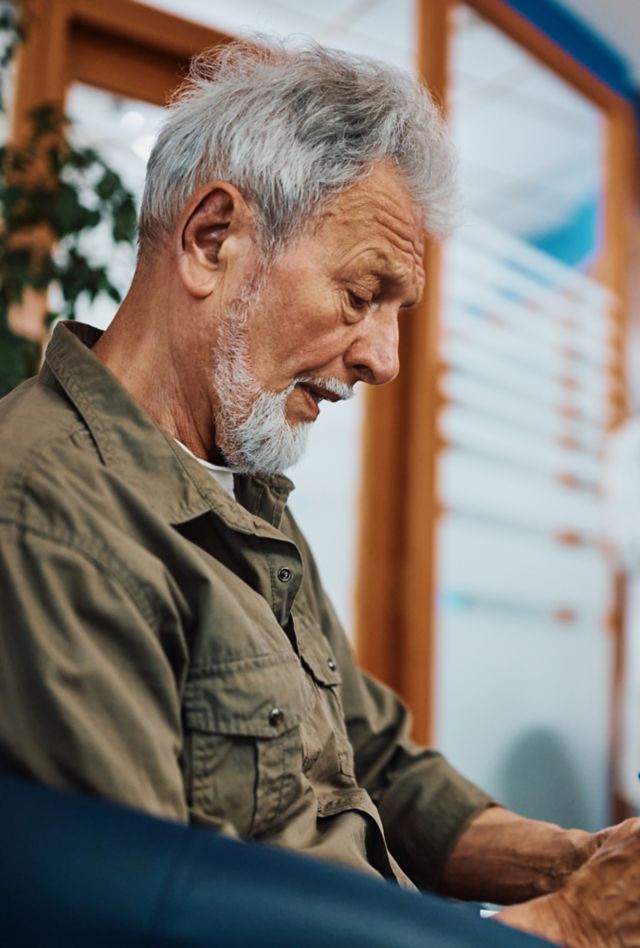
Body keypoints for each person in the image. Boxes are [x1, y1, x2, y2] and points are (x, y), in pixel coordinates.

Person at [0, 39, 639, 947]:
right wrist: (563, 927)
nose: (385, 359)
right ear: (212, 239)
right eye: (361, 294)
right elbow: (146, 922)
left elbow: (375, 756)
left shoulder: (243, 490)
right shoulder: (48, 516)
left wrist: (584, 862)